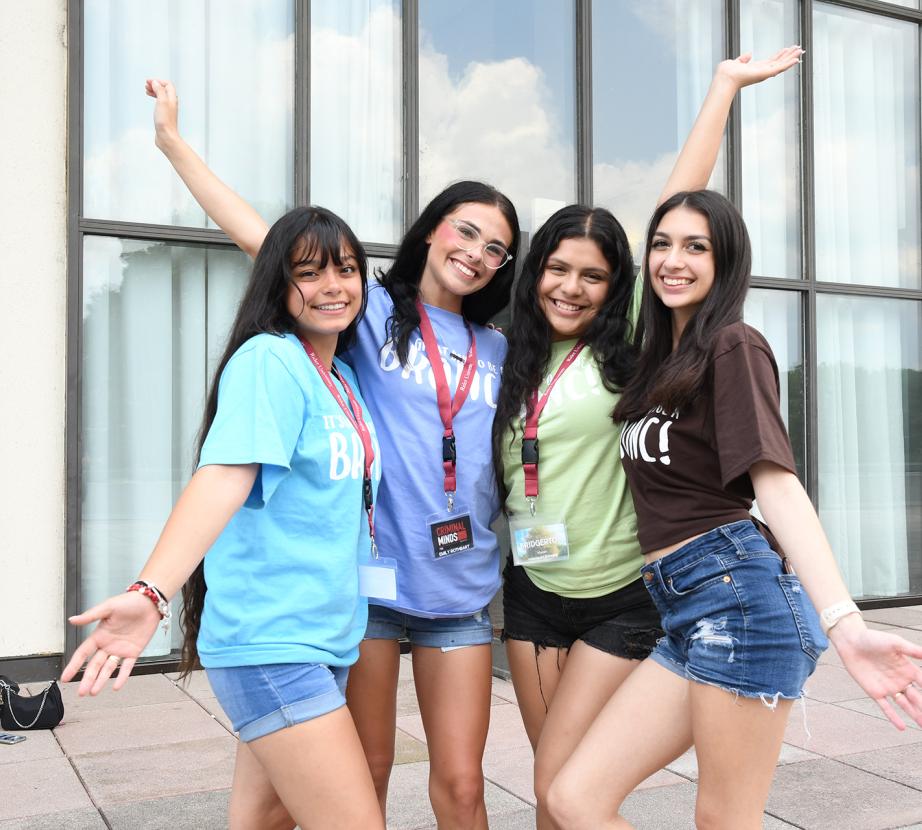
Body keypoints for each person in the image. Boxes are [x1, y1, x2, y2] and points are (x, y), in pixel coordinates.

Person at [144, 78, 520, 829]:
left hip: (459, 588)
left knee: (463, 786)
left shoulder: (501, 348)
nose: (478, 254)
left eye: (498, 249)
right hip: (366, 592)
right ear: (431, 232)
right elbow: (266, 241)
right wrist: (174, 145)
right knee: (363, 771)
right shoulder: (369, 309)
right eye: (467, 231)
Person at [493, 47, 804, 829]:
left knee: (567, 792)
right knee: (551, 795)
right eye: (556, 270)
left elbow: (676, 211)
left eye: (592, 276)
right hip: (534, 591)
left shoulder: (629, 348)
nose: (570, 287)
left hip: (621, 593)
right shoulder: (511, 354)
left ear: (615, 288)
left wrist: (722, 90)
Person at [544, 189, 922, 830]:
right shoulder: (661, 363)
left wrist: (846, 624)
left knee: (724, 819)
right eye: (662, 244)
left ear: (727, 261)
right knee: (572, 798)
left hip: (737, 597)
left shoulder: (733, 345)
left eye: (697, 246)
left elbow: (776, 487)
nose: (673, 259)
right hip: (682, 604)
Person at [62, 206, 386, 830]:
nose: (333, 287)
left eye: (346, 270)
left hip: (324, 635)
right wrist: (151, 592)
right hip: (274, 641)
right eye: (309, 273)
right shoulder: (271, 360)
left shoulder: (339, 374)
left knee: (260, 823)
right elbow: (224, 478)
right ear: (276, 283)